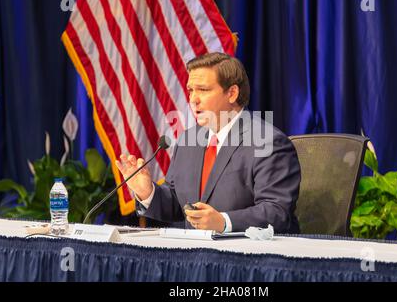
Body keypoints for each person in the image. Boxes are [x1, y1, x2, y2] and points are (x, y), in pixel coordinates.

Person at [116, 52, 301, 234]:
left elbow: (277, 212)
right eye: (190, 90)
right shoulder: (188, 141)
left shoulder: (268, 141)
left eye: (203, 90)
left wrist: (223, 222)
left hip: (246, 257)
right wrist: (147, 192)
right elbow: (176, 205)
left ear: (232, 93)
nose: (193, 100)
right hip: (193, 257)